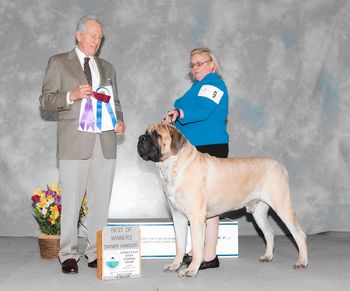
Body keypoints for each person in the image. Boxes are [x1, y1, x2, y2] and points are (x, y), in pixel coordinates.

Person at [39, 15, 126, 274]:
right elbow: (45, 100)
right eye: (92, 35)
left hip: (105, 142)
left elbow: (115, 103)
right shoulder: (58, 62)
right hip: (73, 143)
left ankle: (95, 252)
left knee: (101, 201)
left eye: (100, 37)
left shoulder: (108, 67)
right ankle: (67, 253)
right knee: (72, 200)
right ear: (78, 35)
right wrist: (71, 95)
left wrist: (119, 122)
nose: (96, 41)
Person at [165, 47, 229, 270]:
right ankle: (196, 250)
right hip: (193, 149)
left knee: (210, 204)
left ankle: (210, 255)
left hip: (211, 147)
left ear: (212, 63)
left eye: (200, 63)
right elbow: (185, 109)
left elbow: (203, 111)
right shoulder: (197, 87)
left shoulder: (215, 84)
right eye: (192, 64)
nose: (195, 68)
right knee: (195, 203)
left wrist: (180, 113)